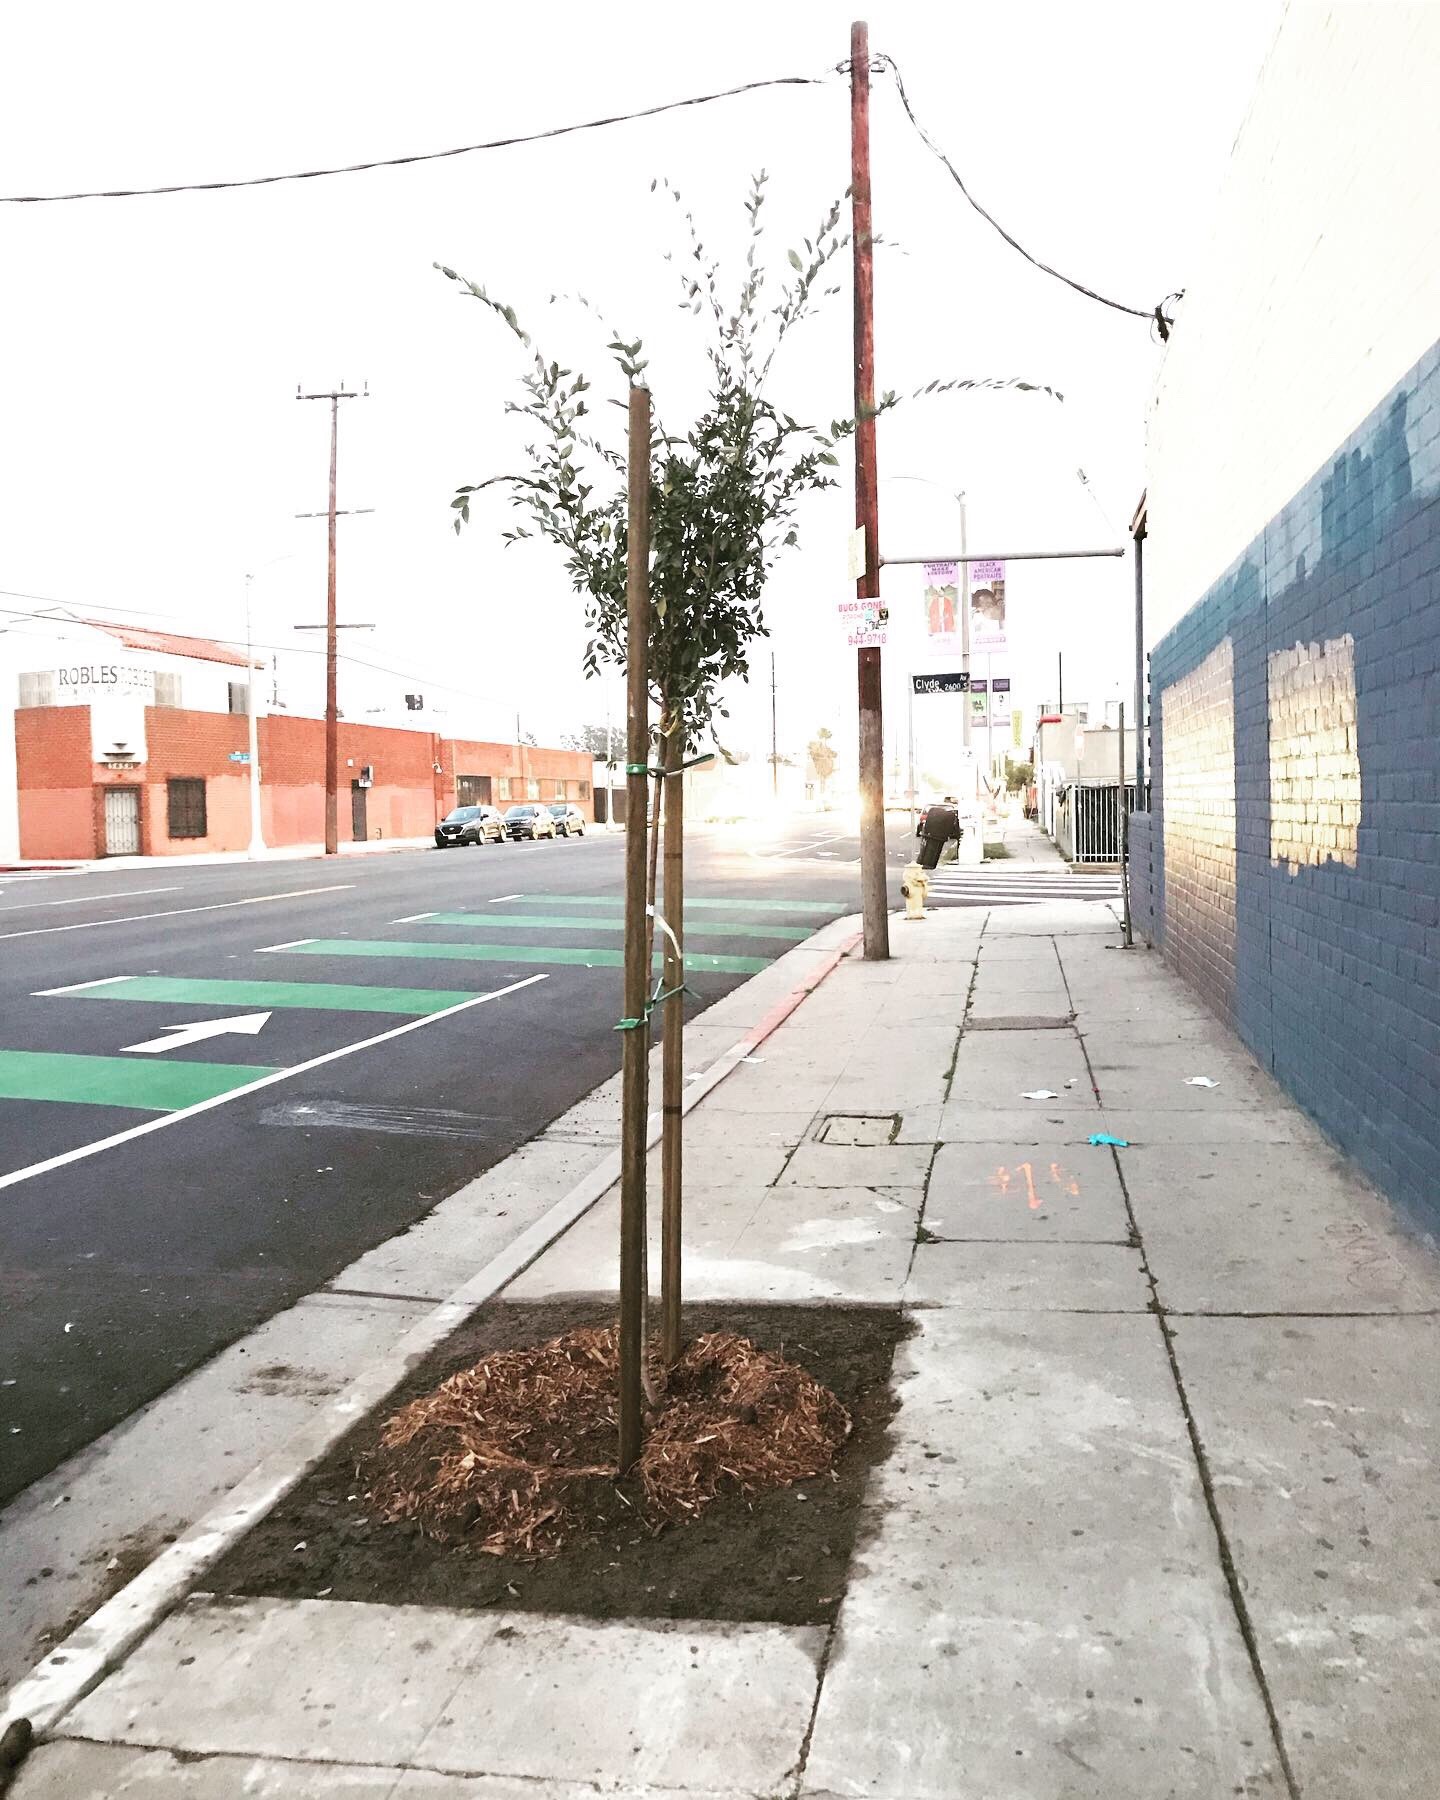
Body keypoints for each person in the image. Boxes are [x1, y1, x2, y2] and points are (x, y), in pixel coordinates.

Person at [917, 794, 960, 869]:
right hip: (938, 834)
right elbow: (955, 829)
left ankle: (924, 863)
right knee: (934, 849)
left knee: (927, 848)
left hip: (931, 832)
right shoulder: (950, 814)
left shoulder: (933, 812)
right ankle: (928, 864)